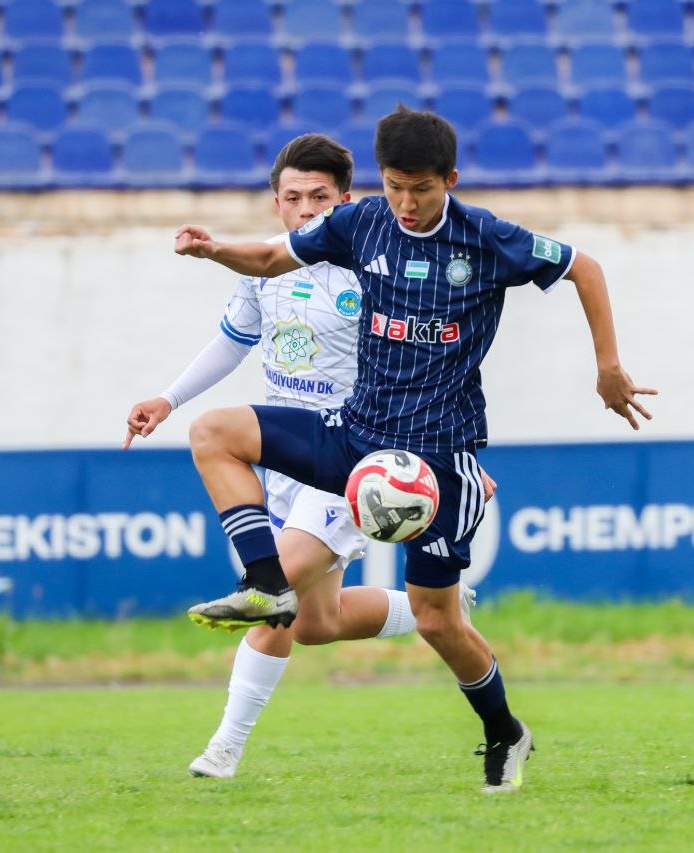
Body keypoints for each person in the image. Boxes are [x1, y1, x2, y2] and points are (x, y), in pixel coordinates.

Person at [170, 108, 657, 793]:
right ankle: (266, 583)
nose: (406, 201)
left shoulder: (486, 237)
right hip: (355, 434)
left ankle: (504, 729)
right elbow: (271, 256)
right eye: (395, 185)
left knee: (437, 618)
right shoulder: (361, 221)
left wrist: (608, 368)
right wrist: (213, 248)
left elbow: (585, 267)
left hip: (437, 460)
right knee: (212, 431)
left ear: (449, 180)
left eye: (420, 188)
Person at [124, 134, 480, 779]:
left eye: (320, 197)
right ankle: (446, 608)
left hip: (355, 454)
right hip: (288, 455)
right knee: (318, 623)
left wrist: (449, 451)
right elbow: (230, 345)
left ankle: (223, 749)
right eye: (292, 198)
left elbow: (434, 356)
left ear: (345, 201)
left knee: (274, 592)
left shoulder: (374, 264)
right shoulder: (266, 272)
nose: (306, 209)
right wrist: (168, 399)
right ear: (277, 202)